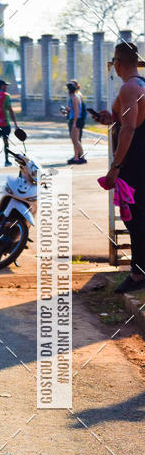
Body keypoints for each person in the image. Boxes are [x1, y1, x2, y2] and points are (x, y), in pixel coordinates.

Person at [92, 42, 145, 293]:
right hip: (140, 161)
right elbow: (125, 120)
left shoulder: (129, 87)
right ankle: (139, 271)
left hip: (133, 164)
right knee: (138, 218)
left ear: (118, 63)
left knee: (135, 219)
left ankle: (137, 274)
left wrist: (115, 166)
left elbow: (130, 127)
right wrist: (108, 117)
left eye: (114, 62)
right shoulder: (140, 86)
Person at [62, 80, 87, 164]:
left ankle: (82, 157)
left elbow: (76, 111)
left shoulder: (74, 97)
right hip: (74, 119)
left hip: (76, 119)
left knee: (76, 140)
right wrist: (67, 109)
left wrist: (74, 123)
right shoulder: (73, 97)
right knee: (74, 140)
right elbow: (73, 109)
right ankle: (76, 157)